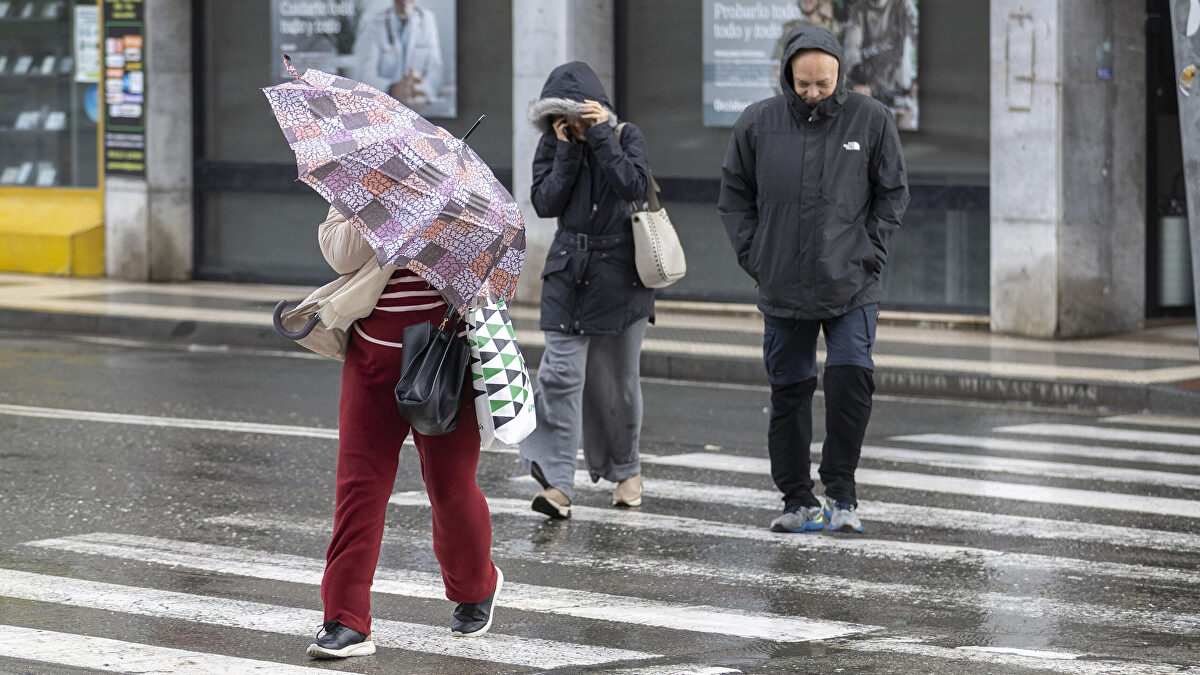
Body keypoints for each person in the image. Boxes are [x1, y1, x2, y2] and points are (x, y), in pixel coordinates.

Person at [718, 26, 908, 534]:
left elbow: (893, 194)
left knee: (850, 379)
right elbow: (734, 197)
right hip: (783, 283)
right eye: (804, 84)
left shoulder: (871, 119)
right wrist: (757, 256)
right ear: (787, 75)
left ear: (839, 73)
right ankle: (796, 499)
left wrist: (870, 252)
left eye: (823, 84)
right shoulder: (758, 122)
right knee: (790, 390)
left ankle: (842, 493)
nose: (813, 93)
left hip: (853, 283)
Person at [305, 205, 502, 659]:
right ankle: (346, 619)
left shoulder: (462, 198)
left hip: (444, 360)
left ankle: (475, 585)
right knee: (359, 488)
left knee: (450, 487)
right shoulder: (364, 187)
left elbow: (487, 265)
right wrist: (387, 211)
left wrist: (446, 219)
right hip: (371, 360)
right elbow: (340, 255)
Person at [519, 61, 652, 520]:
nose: (573, 124)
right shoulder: (552, 145)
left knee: (617, 384)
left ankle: (626, 469)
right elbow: (545, 203)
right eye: (564, 118)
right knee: (558, 377)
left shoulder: (626, 136)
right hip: (567, 273)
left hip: (620, 275)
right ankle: (557, 483)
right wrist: (566, 151)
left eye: (579, 115)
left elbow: (632, 186)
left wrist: (601, 138)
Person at [351, 0, 443, 111]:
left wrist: (422, 90)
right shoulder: (375, 22)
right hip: (384, 107)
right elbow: (365, 76)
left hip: (420, 106)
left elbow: (436, 69)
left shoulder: (427, 19)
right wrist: (392, 89)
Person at [841, 0, 919, 129]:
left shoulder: (903, 5)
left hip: (901, 91)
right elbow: (851, 46)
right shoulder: (858, 10)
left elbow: (919, 35)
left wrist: (919, 78)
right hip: (871, 92)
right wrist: (858, 77)